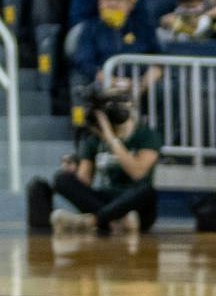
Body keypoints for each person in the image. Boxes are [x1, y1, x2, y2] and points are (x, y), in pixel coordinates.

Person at [27, 83, 161, 237]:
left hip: (136, 204)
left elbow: (138, 173)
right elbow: (84, 182)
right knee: (61, 178)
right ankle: (113, 221)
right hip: (106, 200)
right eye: (109, 102)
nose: (115, 105)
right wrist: (73, 171)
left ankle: (92, 221)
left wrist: (111, 139)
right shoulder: (95, 139)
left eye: (119, 100)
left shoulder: (147, 135)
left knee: (147, 189)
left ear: (131, 105)